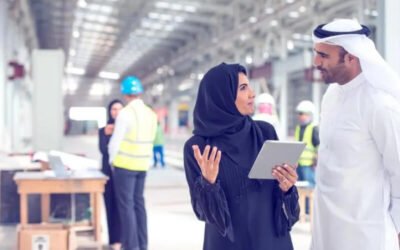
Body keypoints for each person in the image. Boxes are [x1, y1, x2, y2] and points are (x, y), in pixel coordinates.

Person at [183, 63, 300, 250]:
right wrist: (208, 184)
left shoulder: (265, 133)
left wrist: (287, 188)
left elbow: (286, 208)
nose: (252, 94)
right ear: (222, 96)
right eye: (243, 88)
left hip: (272, 241)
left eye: (249, 86)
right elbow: (202, 213)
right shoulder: (199, 147)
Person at [311, 19, 400, 250]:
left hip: (366, 235)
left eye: (324, 55)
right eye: (316, 53)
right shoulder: (330, 96)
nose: (316, 62)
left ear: (351, 57)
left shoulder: (380, 104)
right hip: (326, 229)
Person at [108, 76, 157, 250]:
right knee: (139, 204)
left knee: (126, 206)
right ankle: (142, 245)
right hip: (142, 165)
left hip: (124, 166)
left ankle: (130, 246)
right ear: (140, 93)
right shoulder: (151, 114)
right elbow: (151, 140)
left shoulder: (125, 114)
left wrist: (111, 160)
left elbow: (115, 141)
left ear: (125, 94)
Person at [98, 99, 124, 249]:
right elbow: (103, 151)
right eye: (113, 109)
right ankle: (113, 240)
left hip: (122, 171)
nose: (116, 112)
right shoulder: (103, 130)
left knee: (122, 206)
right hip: (107, 173)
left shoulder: (127, 129)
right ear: (109, 111)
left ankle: (123, 239)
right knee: (109, 206)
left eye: (119, 109)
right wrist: (107, 135)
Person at [294, 100, 319, 187]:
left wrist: (316, 161)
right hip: (298, 165)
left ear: (310, 115)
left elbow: (319, 147)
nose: (300, 116)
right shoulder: (298, 128)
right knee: (299, 188)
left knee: (309, 188)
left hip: (309, 166)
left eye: (302, 114)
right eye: (299, 114)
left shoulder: (313, 128)